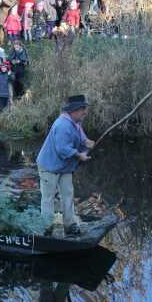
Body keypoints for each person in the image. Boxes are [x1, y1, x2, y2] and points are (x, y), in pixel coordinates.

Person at [36, 95, 94, 235]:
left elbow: (81, 136)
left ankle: (70, 225)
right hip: (49, 167)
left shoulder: (76, 122)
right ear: (74, 110)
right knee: (48, 198)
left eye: (85, 109)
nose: (85, 112)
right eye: (82, 109)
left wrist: (86, 142)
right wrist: (79, 155)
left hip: (64, 167)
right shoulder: (62, 125)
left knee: (68, 195)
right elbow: (62, 148)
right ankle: (46, 227)